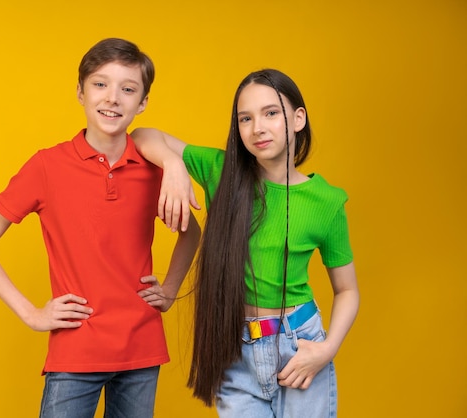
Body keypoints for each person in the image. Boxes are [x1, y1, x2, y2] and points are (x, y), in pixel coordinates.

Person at [0, 38, 200, 418]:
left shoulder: (153, 169)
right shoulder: (46, 166)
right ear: (80, 91)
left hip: (141, 347)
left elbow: (191, 231)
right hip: (76, 349)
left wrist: (170, 289)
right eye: (100, 84)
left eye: (128, 89)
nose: (112, 98)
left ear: (142, 103)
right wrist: (31, 313)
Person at [131, 68, 359, 417]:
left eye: (271, 113)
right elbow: (143, 134)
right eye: (245, 118)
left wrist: (327, 349)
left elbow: (347, 290)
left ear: (298, 119)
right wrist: (173, 166)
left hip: (299, 346)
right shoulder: (220, 170)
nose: (257, 128)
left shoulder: (326, 202)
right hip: (233, 346)